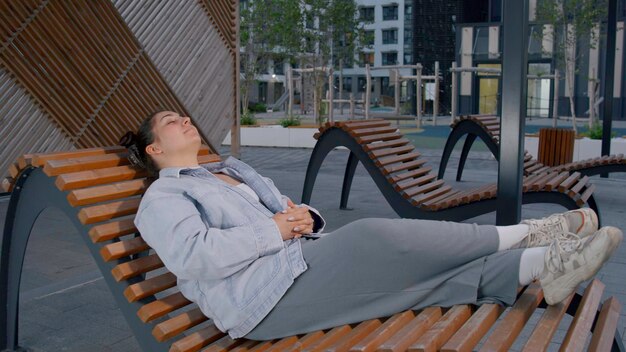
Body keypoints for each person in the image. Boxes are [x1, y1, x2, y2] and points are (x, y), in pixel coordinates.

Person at [124, 110, 623, 341]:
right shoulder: (164, 196)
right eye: (171, 121)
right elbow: (194, 256)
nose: (184, 120)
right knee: (373, 234)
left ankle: (542, 265)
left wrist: (303, 219)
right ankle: (526, 235)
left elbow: (292, 215)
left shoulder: (229, 173)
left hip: (296, 267)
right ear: (154, 149)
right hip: (261, 300)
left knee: (418, 284)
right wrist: (278, 229)